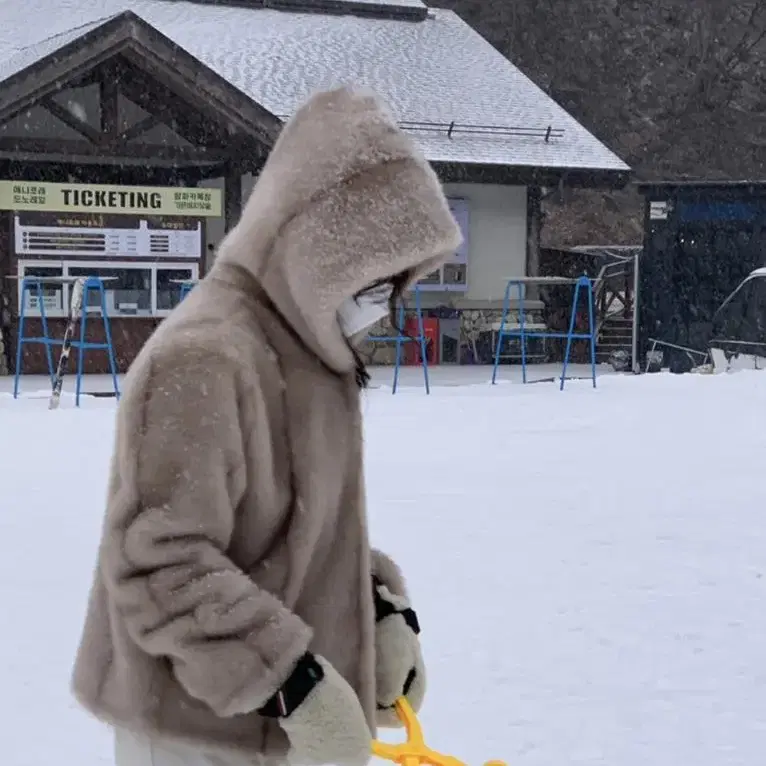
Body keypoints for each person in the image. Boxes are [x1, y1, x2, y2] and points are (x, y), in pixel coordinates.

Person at [71, 85, 462, 766]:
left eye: (398, 282)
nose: (386, 304)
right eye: (375, 279)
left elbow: (292, 533)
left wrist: (376, 607)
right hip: (196, 733)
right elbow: (159, 563)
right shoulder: (206, 357)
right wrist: (294, 685)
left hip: (281, 733)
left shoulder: (307, 352)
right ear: (319, 251)